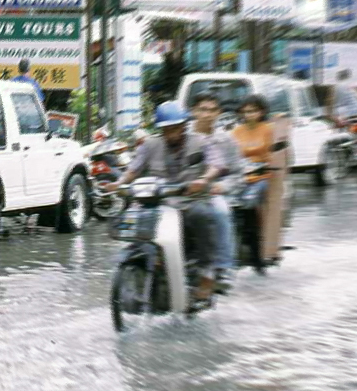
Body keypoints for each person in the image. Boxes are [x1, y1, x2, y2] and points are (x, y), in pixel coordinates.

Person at [106, 102, 226, 300]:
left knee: (204, 216)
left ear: (184, 126)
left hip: (189, 201)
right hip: (157, 203)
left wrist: (204, 179)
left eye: (175, 128)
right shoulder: (150, 144)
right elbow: (134, 169)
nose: (171, 134)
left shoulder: (202, 142)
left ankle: (207, 274)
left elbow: (216, 164)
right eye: (166, 129)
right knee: (131, 219)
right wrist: (118, 184)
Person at [190, 92, 243, 290]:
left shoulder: (227, 141)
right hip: (182, 191)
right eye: (203, 109)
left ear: (219, 113)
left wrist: (222, 186)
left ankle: (223, 267)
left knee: (221, 211)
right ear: (193, 111)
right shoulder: (182, 136)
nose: (207, 114)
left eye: (212, 110)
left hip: (213, 192)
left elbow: (238, 174)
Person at [232, 94, 273, 205]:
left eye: (253, 111)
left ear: (262, 112)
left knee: (251, 198)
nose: (248, 115)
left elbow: (273, 156)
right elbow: (232, 155)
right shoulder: (236, 131)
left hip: (263, 175)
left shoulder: (268, 129)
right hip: (241, 174)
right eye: (245, 112)